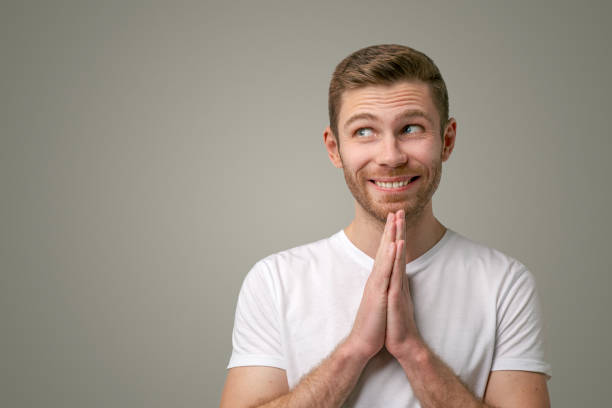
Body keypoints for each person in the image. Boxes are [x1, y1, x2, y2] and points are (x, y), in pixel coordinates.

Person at [219, 44, 551, 407]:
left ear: (447, 140)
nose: (390, 157)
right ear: (334, 149)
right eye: (364, 132)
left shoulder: (504, 283)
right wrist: (356, 348)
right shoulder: (274, 281)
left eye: (411, 128)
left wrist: (413, 352)